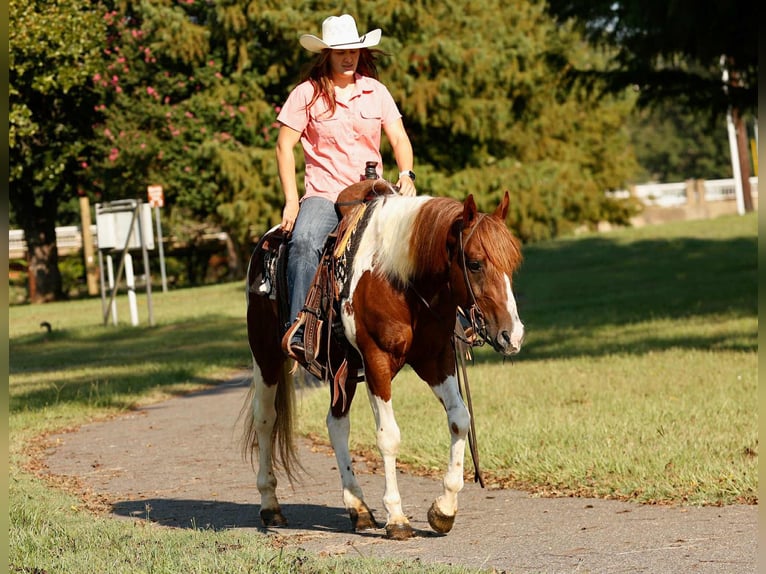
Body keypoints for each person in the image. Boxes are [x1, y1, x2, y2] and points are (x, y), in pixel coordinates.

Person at [275, 14, 417, 356]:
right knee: (305, 240)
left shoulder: (376, 92)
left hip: (372, 193)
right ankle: (300, 327)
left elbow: (398, 138)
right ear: (326, 54)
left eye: (353, 49)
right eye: (340, 52)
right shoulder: (306, 94)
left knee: (419, 234)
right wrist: (292, 201)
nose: (348, 56)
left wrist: (407, 174)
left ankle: (438, 320)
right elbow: (283, 146)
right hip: (325, 193)